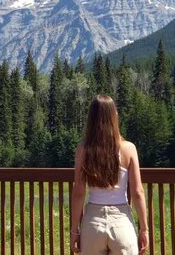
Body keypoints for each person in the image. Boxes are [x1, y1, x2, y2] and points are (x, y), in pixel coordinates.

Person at [70, 94, 149, 254]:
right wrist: (144, 229)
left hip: (93, 223)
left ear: (91, 118)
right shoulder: (129, 148)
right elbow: (138, 192)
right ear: (115, 116)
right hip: (122, 222)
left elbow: (79, 192)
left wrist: (74, 231)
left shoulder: (83, 149)